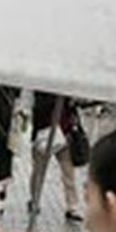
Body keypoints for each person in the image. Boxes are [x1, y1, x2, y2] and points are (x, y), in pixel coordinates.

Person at [29, 92, 82, 222]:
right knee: (39, 171)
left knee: (68, 172)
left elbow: (74, 109)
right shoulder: (43, 91)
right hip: (45, 135)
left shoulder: (69, 90)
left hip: (65, 135)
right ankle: (35, 200)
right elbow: (38, 108)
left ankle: (72, 206)